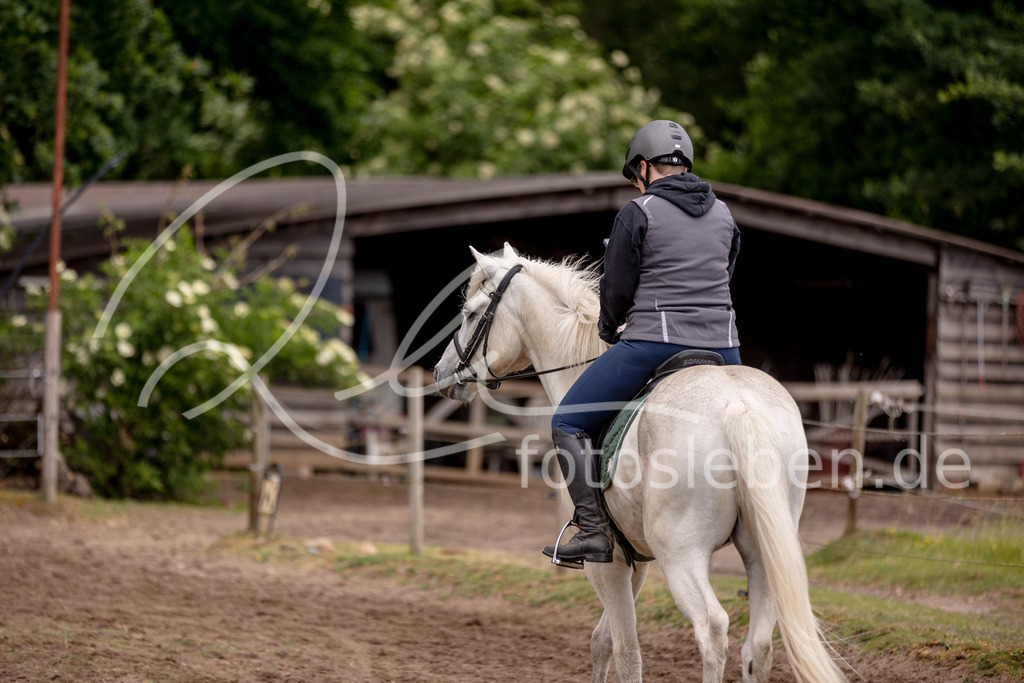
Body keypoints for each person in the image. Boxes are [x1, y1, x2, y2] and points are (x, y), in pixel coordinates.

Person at [542, 119, 743, 565]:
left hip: (657, 342)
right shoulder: (724, 213)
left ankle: (593, 532)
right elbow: (724, 273)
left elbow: (616, 286)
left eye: (636, 175)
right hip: (726, 348)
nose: (637, 183)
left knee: (568, 423)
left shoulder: (640, 211)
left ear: (645, 166)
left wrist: (610, 327)